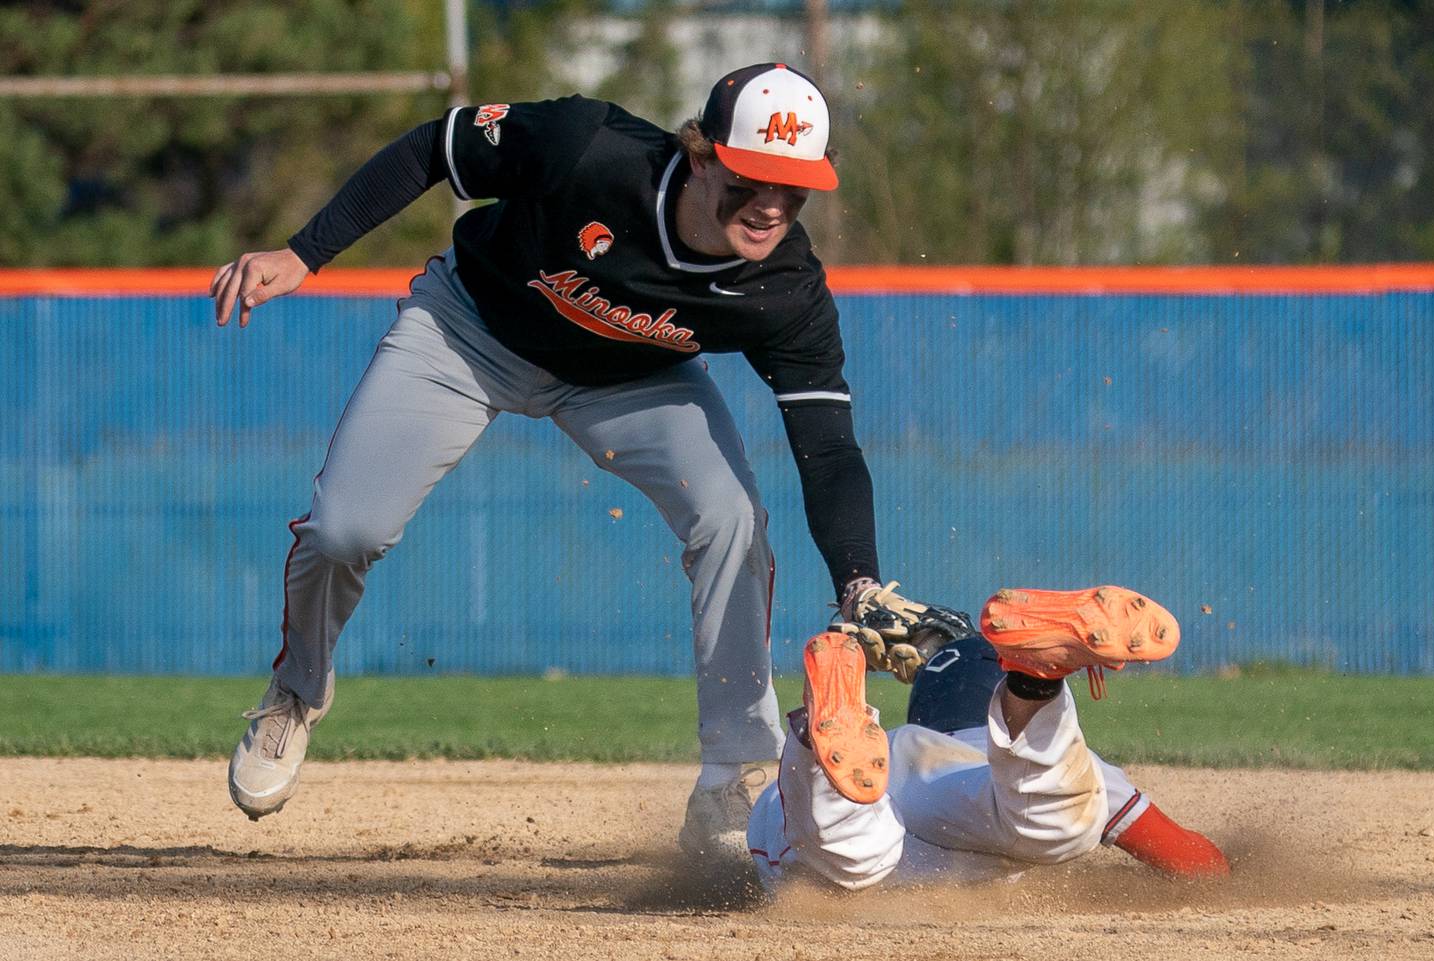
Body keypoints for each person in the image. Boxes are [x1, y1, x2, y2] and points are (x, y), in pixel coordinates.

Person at [209, 62, 933, 863]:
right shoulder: (586, 148)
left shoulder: (785, 288)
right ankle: (297, 693)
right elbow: (432, 149)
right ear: (700, 153)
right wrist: (306, 253)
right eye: (753, 176)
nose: (771, 203)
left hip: (630, 376)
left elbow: (828, 448)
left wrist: (858, 581)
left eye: (793, 186)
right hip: (470, 332)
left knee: (731, 519)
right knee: (345, 530)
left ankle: (731, 772)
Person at [747, 586, 1231, 890]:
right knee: (1056, 820)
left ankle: (815, 740)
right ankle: (1034, 687)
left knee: (845, 853)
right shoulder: (1086, 768)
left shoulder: (897, 743)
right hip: (973, 798)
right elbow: (1194, 862)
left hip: (892, 780)